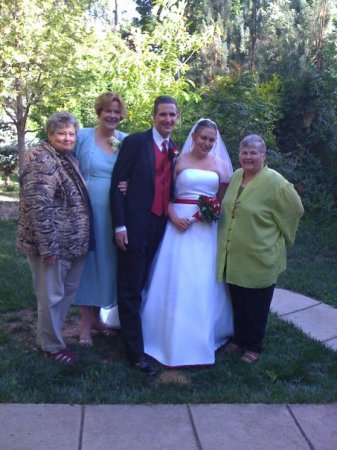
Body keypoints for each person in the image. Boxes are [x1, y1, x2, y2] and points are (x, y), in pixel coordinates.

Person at [141, 119, 233, 367]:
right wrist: (173, 217)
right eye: (203, 138)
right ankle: (164, 332)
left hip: (205, 230)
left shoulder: (222, 166)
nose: (207, 143)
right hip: (178, 226)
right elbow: (164, 194)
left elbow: (221, 199)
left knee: (201, 279)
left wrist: (209, 212)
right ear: (194, 137)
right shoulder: (178, 162)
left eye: (211, 140)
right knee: (176, 276)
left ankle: (204, 333)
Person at [217, 134, 304, 364]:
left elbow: (295, 209)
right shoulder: (236, 176)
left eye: (253, 153)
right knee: (237, 299)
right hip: (234, 255)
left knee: (256, 303)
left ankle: (253, 345)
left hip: (260, 254)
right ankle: (238, 338)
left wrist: (280, 234)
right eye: (244, 152)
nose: (248, 157)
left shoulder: (276, 182)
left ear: (264, 156)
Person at [110, 95, 179, 375]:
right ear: (154, 116)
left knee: (147, 284)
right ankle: (135, 353)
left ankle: (140, 335)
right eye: (163, 114)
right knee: (130, 287)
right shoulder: (136, 142)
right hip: (135, 225)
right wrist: (120, 226)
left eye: (172, 115)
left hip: (161, 226)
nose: (168, 120)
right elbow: (117, 185)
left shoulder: (174, 148)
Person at [16, 112, 93, 364]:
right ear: (50, 135)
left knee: (63, 295)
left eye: (71, 134)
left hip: (71, 245)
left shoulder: (66, 159)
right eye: (61, 133)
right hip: (52, 247)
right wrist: (47, 247)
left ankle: (49, 339)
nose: (67, 138)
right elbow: (38, 207)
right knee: (50, 297)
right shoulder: (43, 163)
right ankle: (51, 347)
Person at [72, 92, 128, 345]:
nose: (112, 116)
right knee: (88, 264)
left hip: (114, 213)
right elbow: (56, 148)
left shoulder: (125, 141)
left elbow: (137, 171)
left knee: (107, 263)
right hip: (86, 209)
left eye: (117, 112)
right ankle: (84, 325)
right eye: (108, 111)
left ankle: (97, 318)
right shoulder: (82, 136)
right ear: (99, 112)